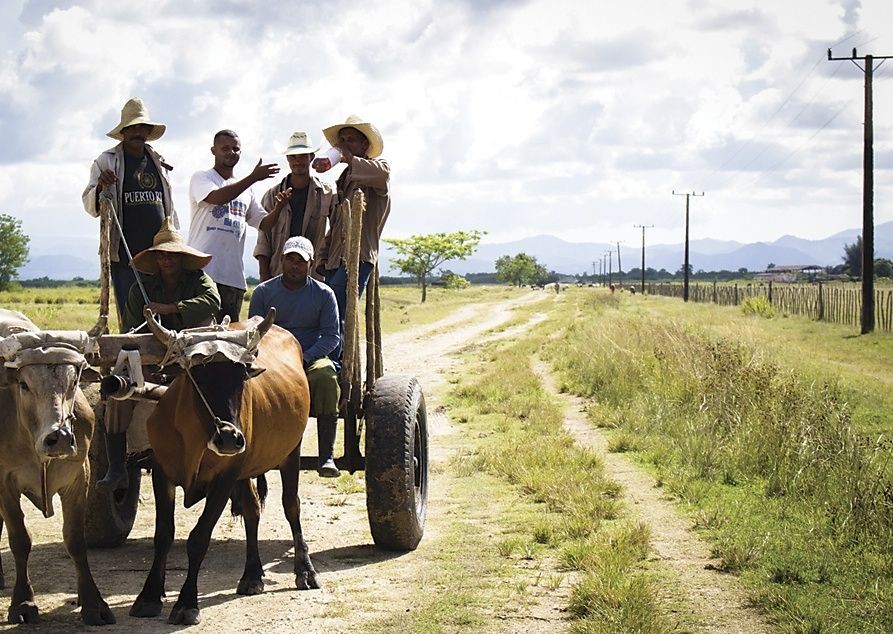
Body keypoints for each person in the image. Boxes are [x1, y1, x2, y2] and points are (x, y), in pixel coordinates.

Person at [98, 218, 220, 490]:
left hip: (193, 363)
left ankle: (219, 452)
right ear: (155, 259)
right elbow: (131, 331)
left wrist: (169, 309)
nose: (167, 259)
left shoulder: (200, 281)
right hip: (151, 363)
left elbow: (213, 301)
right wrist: (143, 365)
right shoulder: (139, 289)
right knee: (117, 395)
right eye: (162, 254)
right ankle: (117, 468)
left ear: (181, 258)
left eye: (172, 254)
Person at [248, 236, 341, 478]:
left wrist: (305, 357)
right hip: (273, 362)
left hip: (309, 358)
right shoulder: (263, 292)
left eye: (301, 261)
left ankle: (326, 456)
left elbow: (332, 337)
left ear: (310, 264)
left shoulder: (324, 294)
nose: (295, 265)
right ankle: (251, 450)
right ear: (282, 260)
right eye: (290, 259)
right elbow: (254, 334)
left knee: (327, 376)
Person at [82, 97, 177, 324]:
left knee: (165, 314)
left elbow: (169, 207)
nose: (138, 132)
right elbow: (89, 203)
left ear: (148, 131)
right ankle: (132, 355)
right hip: (125, 255)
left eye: (142, 127)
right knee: (131, 315)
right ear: (123, 132)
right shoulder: (107, 161)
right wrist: (101, 187)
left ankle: (161, 360)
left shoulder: (158, 161)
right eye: (132, 128)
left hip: (159, 254)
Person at [187, 129, 281, 323]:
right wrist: (253, 177)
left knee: (230, 340)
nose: (231, 152)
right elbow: (218, 198)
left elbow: (264, 224)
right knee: (199, 336)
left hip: (232, 278)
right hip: (202, 274)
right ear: (213, 150)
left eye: (236, 149)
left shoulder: (247, 191)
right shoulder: (202, 178)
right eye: (225, 148)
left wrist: (280, 207)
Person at [313, 115, 390, 323]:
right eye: (342, 141)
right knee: (330, 314)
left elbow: (383, 175)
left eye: (351, 140)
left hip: (359, 255)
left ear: (365, 144)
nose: (345, 145)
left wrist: (348, 157)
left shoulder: (377, 168)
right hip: (335, 259)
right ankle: (334, 356)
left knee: (339, 313)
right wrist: (322, 257)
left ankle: (338, 357)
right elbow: (337, 224)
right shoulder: (343, 180)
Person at [255, 131, 336, 282]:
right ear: (287, 158)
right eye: (293, 156)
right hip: (278, 274)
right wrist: (264, 277)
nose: (298, 161)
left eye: (303, 156)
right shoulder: (271, 196)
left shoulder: (327, 193)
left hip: (314, 276)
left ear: (311, 157)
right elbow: (263, 240)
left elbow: (336, 230)